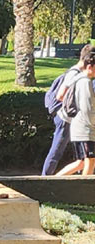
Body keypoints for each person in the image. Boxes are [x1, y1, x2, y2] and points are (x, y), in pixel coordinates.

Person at [42, 44, 92, 175]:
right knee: (57, 151)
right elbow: (60, 95)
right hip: (65, 118)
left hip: (69, 118)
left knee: (82, 158)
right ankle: (45, 179)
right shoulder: (75, 73)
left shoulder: (79, 73)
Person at [57, 50, 95, 176]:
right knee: (90, 161)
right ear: (90, 66)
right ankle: (85, 191)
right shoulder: (85, 82)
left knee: (82, 162)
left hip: (80, 127)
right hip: (85, 129)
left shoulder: (78, 79)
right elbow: (87, 108)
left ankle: (52, 181)